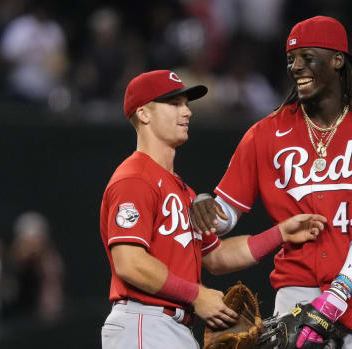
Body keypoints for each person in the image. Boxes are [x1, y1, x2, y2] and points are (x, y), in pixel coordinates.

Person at [191, 16, 352, 348]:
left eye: (308, 57)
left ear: (338, 60)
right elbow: (224, 217)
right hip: (299, 295)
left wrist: (341, 288)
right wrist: (203, 204)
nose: (296, 66)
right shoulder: (265, 134)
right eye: (291, 58)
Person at [99, 70, 327, 349]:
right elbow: (129, 262)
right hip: (145, 322)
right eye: (174, 104)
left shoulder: (183, 191)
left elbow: (216, 257)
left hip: (172, 326)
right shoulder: (135, 178)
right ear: (144, 113)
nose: (187, 112)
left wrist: (280, 233)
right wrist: (196, 295)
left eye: (186, 103)